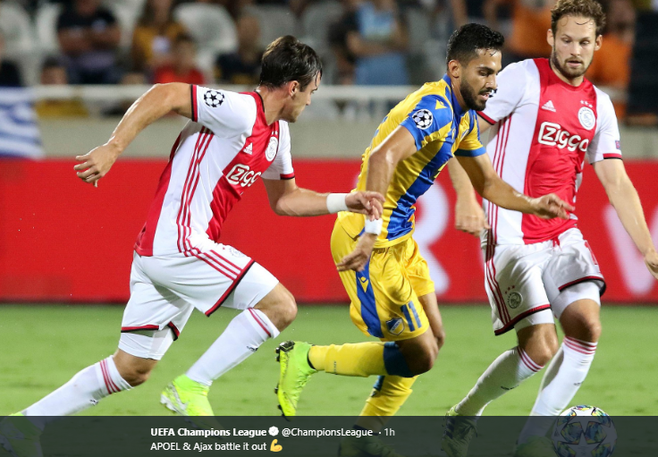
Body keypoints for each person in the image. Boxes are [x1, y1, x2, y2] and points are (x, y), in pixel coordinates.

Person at [0, 35, 384, 457]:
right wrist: (113, 147)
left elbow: (286, 200)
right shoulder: (240, 111)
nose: (310, 102)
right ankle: (193, 386)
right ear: (294, 87)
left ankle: (23, 426)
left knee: (132, 368)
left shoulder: (276, 136)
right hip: (179, 243)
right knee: (281, 306)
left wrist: (344, 200)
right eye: (311, 92)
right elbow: (165, 93)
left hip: (160, 252)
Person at [274, 23, 573, 457]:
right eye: (484, 73)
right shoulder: (434, 109)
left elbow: (487, 182)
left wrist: (531, 204)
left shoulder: (463, 116)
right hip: (369, 240)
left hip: (400, 238)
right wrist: (372, 233)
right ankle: (305, 358)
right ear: (455, 69)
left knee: (434, 335)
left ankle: (363, 440)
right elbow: (382, 156)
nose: (493, 83)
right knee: (421, 355)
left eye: (496, 73)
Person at [442, 0, 658, 457]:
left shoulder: (600, 106)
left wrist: (648, 250)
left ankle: (533, 442)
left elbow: (616, 179)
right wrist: (468, 195)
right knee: (541, 349)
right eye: (566, 39)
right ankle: (466, 413)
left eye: (584, 42)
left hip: (561, 231)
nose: (574, 49)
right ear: (551, 37)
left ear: (597, 45)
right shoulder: (522, 78)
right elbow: (459, 130)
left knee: (587, 326)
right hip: (508, 228)